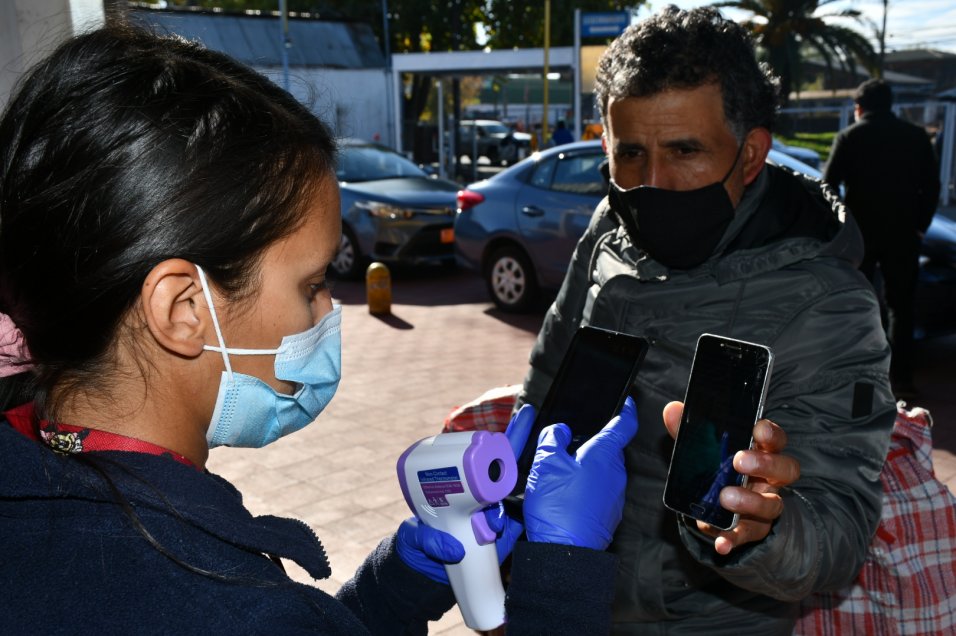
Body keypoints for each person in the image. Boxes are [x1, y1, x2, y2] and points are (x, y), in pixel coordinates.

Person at [0, 24, 638, 634]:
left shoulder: (43, 499)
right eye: (311, 283)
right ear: (184, 309)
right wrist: (561, 574)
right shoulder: (222, 603)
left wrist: (397, 586)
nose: (330, 311)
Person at [517, 7, 897, 634]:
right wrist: (509, 498)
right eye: (630, 153)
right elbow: (548, 376)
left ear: (750, 154)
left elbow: (837, 532)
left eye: (685, 151)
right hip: (566, 593)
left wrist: (756, 529)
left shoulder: (829, 302)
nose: (654, 183)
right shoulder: (608, 229)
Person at [824, 78, 941, 399]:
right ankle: (901, 381)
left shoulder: (849, 137)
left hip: (860, 238)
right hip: (904, 236)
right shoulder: (916, 136)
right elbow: (931, 186)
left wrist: (841, 225)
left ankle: (855, 381)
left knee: (857, 307)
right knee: (901, 309)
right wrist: (920, 225)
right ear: (891, 105)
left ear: (859, 108)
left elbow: (828, 187)